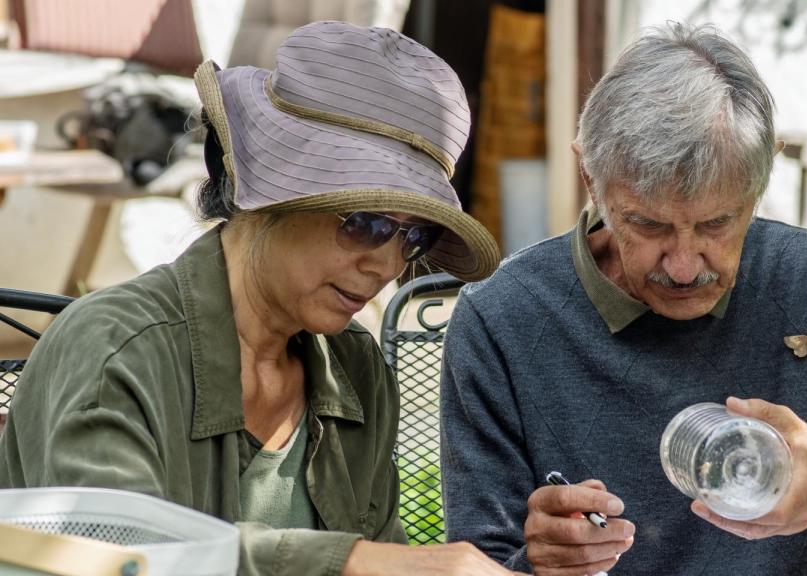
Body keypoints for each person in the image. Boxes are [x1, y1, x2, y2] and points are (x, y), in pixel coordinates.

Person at [439, 22, 807, 576]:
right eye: (648, 224)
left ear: (759, 185)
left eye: (717, 223)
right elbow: (478, 561)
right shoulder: (504, 318)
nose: (685, 266)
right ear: (591, 179)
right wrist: (537, 563)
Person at [0, 21, 525, 576]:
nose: (387, 264)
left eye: (414, 236)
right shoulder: (117, 349)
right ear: (269, 194)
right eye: (365, 223)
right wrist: (351, 562)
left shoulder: (353, 365)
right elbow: (118, 558)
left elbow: (385, 549)